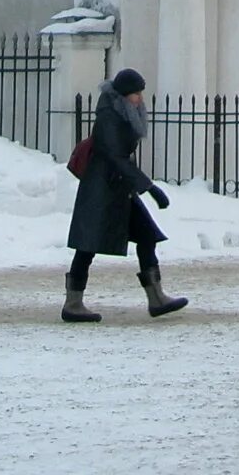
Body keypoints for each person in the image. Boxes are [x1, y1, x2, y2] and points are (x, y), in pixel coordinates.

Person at [61, 67, 185, 323]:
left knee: (147, 236)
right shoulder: (109, 115)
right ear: (123, 95)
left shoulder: (126, 112)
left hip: (118, 189)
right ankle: (73, 303)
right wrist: (149, 187)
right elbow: (115, 156)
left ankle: (156, 297)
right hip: (101, 188)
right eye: (135, 93)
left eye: (140, 93)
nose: (139, 98)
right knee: (87, 245)